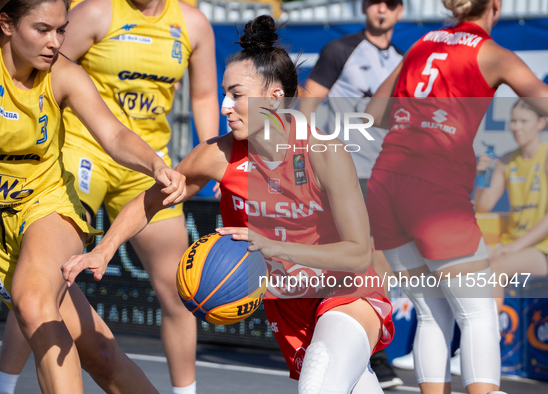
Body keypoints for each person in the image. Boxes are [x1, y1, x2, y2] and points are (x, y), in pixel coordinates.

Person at [62, 15, 395, 394]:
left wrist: (272, 247)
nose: (224, 106)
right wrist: (104, 250)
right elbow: (150, 201)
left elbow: (357, 254)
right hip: (288, 306)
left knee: (318, 383)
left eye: (236, 94)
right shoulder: (217, 156)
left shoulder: (323, 152)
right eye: (224, 93)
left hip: (345, 292)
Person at [0, 0, 218, 393]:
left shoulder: (192, 24)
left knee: (179, 290)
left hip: (146, 160)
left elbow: (204, 96)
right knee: (42, 281)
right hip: (83, 152)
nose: (52, 38)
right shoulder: (96, 12)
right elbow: (37, 71)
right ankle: (2, 385)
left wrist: (211, 163)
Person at [364, 0, 548, 393]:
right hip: (433, 189)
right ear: (495, 7)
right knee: (478, 314)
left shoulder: (419, 46)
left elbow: (374, 112)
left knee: (432, 313)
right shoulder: (492, 53)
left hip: (386, 184)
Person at [300, 0, 404, 388]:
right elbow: (307, 104)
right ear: (365, 7)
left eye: (391, 4)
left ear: (400, 11)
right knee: (355, 257)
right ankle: (365, 353)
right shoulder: (341, 50)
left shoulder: (402, 59)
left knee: (380, 263)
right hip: (346, 171)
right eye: (376, 2)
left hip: (385, 172)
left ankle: (368, 348)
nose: (383, 9)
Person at [474, 99, 548, 309]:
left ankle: (488, 336)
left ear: (540, 124)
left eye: (523, 121)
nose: (516, 127)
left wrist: (513, 247)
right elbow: (483, 206)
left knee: (497, 266)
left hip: (542, 248)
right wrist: (482, 178)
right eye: (513, 121)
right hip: (511, 243)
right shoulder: (506, 160)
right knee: (467, 262)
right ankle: (468, 331)